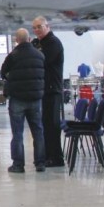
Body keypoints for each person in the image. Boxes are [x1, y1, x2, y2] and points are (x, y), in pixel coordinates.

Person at [0, 28, 46, 173]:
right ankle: (40, 163)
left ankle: (18, 165)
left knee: (17, 133)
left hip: (18, 99)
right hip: (35, 100)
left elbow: (3, 72)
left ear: (16, 40)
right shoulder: (40, 55)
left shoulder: (13, 56)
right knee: (38, 132)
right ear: (29, 39)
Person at [32, 16, 65, 168]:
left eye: (39, 27)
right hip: (44, 90)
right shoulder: (39, 43)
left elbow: (42, 61)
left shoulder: (53, 43)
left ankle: (56, 157)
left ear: (47, 26)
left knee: (52, 124)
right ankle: (46, 155)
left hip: (52, 90)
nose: (37, 30)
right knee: (45, 124)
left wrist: (33, 52)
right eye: (34, 28)